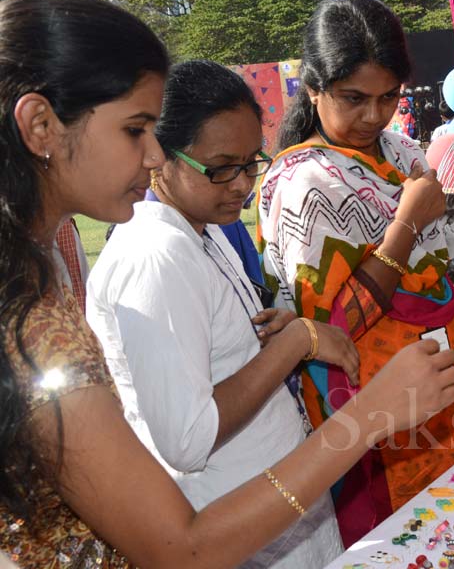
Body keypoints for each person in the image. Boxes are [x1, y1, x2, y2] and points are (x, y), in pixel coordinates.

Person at [0, 0, 454, 568]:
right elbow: (183, 543)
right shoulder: (52, 307)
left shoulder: (96, 258)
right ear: (41, 125)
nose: (152, 157)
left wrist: (284, 336)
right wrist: (366, 416)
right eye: (135, 130)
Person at [256, 0, 454, 543]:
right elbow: (328, 330)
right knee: (402, 543)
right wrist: (406, 224)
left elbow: (440, 273)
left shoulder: (402, 153)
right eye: (354, 98)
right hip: (376, 417)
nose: (373, 116)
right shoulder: (305, 185)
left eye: (387, 97)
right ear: (313, 88)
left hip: (444, 396)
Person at [84, 60, 349, 567]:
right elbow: (188, 439)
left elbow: (217, 356)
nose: (242, 185)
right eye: (222, 166)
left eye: (252, 162)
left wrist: (275, 332)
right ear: (162, 156)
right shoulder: (156, 254)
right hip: (239, 523)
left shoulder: (201, 228)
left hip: (275, 508)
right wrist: (298, 343)